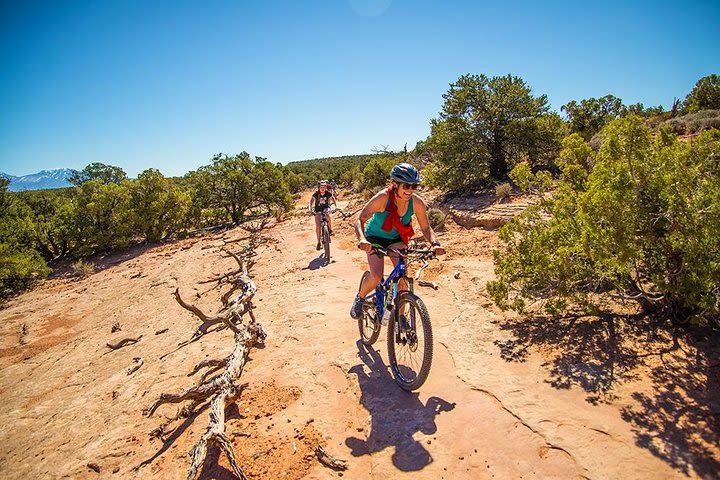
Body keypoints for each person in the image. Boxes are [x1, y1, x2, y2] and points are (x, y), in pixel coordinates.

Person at [350, 163, 445, 319]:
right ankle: (360, 298)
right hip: (375, 238)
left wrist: (435, 244)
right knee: (375, 275)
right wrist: (362, 239)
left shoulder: (416, 202)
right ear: (395, 184)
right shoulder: (383, 198)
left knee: (402, 279)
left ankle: (401, 319)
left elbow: (426, 228)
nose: (410, 190)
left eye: (414, 186)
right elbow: (359, 219)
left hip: (397, 239)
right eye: (406, 185)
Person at [309, 180, 336, 250]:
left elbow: (333, 199)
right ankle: (318, 243)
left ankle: (330, 230)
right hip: (317, 210)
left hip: (325, 208)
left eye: (324, 187)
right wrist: (310, 209)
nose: (323, 188)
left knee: (327, 214)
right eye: (321, 187)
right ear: (319, 187)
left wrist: (336, 206)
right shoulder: (316, 194)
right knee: (318, 226)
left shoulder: (328, 193)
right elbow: (310, 202)